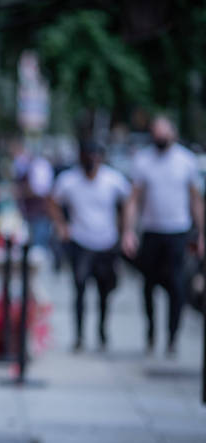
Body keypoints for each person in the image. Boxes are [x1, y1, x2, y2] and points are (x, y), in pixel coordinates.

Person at [122, 116, 205, 356]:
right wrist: (128, 231)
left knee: (176, 285)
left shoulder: (186, 161)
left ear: (173, 133)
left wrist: (202, 234)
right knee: (148, 285)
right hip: (152, 231)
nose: (159, 138)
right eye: (155, 134)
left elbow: (196, 201)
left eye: (163, 134)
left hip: (177, 231)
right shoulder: (143, 160)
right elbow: (133, 200)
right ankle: (151, 332)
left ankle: (172, 336)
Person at [49, 140, 131, 352]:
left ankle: (102, 332)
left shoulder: (113, 180)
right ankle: (79, 336)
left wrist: (126, 232)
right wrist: (61, 225)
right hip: (81, 242)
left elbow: (127, 202)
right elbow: (52, 201)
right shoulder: (69, 180)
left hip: (106, 242)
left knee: (104, 292)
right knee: (79, 289)